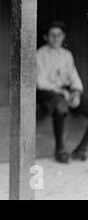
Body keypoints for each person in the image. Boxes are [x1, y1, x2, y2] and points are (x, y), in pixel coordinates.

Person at [37, 21, 88, 163]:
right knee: (60, 106)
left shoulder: (67, 55)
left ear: (63, 36)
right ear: (46, 37)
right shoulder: (40, 55)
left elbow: (74, 77)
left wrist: (76, 93)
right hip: (47, 93)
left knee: (78, 103)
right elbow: (41, 83)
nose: (56, 38)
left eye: (59, 35)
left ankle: (82, 149)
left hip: (65, 92)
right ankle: (60, 149)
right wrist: (61, 92)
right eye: (52, 35)